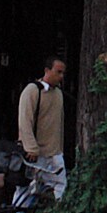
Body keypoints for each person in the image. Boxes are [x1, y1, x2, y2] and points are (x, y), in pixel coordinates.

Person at [16, 55, 67, 201]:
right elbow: (25, 120)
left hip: (54, 151)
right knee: (25, 189)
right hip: (35, 153)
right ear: (47, 70)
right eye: (58, 72)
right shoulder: (33, 90)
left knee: (60, 185)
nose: (61, 76)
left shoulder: (58, 94)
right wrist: (31, 147)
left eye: (63, 73)